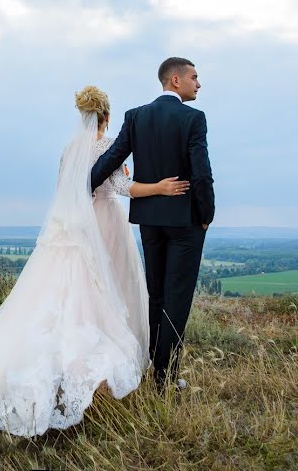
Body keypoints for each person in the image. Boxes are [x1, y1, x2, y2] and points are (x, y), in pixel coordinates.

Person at [0, 86, 189, 437]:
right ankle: (95, 371)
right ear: (107, 117)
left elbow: (67, 189)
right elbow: (121, 188)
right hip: (104, 224)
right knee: (106, 290)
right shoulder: (105, 146)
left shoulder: (69, 149)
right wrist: (160, 187)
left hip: (74, 225)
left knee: (65, 293)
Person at [91, 57, 215, 392]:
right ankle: (165, 377)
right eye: (194, 77)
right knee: (177, 298)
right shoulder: (193, 118)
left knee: (156, 294)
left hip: (149, 221)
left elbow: (112, 157)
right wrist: (206, 215)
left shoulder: (136, 117)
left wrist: (84, 183)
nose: (198, 84)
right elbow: (201, 172)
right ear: (175, 80)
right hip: (186, 222)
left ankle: (152, 367)